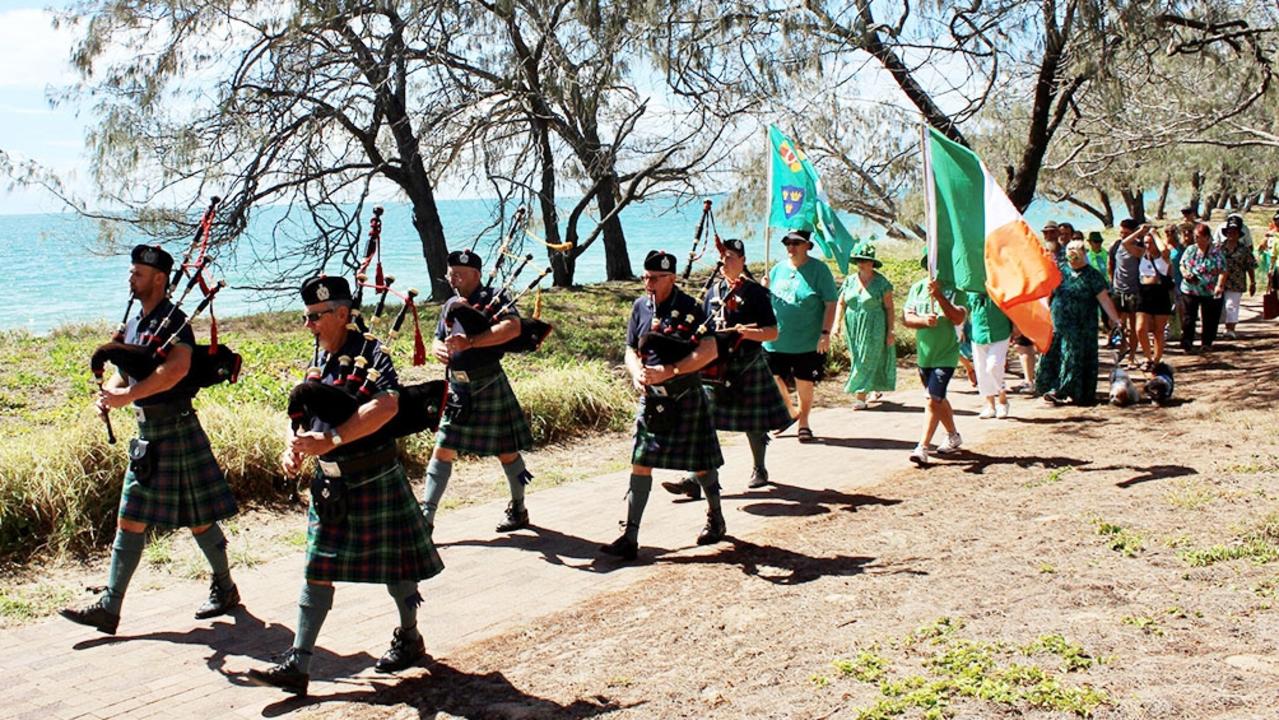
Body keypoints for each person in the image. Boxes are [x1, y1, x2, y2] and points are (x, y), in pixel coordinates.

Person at [249, 276, 442, 695]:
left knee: (397, 567)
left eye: (316, 316)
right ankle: (298, 663)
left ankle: (409, 636)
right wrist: (294, 446)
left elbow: (387, 405)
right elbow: (300, 410)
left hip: (373, 474)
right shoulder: (321, 355)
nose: (309, 325)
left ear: (341, 313)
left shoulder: (371, 353)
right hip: (331, 484)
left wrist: (332, 440)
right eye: (306, 317)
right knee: (316, 569)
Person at [60, 245, 240, 635]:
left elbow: (176, 370)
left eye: (138, 273)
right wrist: (111, 394)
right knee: (141, 519)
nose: (131, 278)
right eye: (131, 272)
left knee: (191, 519)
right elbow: (125, 372)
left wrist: (128, 396)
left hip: (175, 428)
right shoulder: (136, 324)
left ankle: (219, 589)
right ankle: (114, 606)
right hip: (148, 432)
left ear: (159, 279)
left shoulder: (174, 321)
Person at [600, 251, 725, 561]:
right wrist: (636, 373)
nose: (648, 283)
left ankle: (716, 516)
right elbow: (630, 349)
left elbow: (709, 350)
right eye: (646, 277)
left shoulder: (691, 308)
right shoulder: (640, 306)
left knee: (699, 463)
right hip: (652, 397)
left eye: (655, 278)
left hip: (684, 394)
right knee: (640, 461)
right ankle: (630, 536)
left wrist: (674, 370)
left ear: (672, 278)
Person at [662, 239, 791, 498]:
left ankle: (759, 468)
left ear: (742, 260)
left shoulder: (756, 293)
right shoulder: (714, 291)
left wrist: (745, 333)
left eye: (730, 257)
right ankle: (696, 479)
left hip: (747, 365)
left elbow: (773, 333)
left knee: (753, 424)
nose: (724, 262)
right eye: (722, 257)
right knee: (703, 422)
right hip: (715, 368)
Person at [420, 250, 537, 536]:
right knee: (443, 449)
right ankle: (426, 519)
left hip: (487, 384)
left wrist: (472, 342)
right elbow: (439, 336)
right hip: (458, 388)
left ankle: (518, 508)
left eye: (459, 272)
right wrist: (437, 347)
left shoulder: (493, 299)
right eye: (451, 272)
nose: (453, 277)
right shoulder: (450, 303)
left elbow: (511, 328)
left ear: (476, 274)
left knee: (507, 452)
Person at [764, 230, 838, 442]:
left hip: (807, 340)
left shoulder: (819, 270)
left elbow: (830, 303)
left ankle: (804, 421)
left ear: (807, 245)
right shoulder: (777, 269)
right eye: (787, 242)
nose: (791, 247)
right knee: (774, 378)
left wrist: (825, 333)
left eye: (796, 243)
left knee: (803, 381)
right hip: (776, 339)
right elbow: (768, 300)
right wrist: (763, 289)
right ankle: (790, 412)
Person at [1036, 239, 1122, 405]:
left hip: (1083, 326)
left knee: (1074, 356)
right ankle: (1055, 389)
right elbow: (1049, 295)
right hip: (1059, 324)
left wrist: (1116, 319)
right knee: (1056, 355)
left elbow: (1104, 299)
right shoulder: (1059, 272)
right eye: (1070, 250)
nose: (1073, 255)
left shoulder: (1093, 276)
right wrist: (1044, 314)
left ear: (1084, 253)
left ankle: (1074, 392)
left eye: (1076, 251)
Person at [902, 255, 967, 465]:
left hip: (946, 354)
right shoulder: (917, 288)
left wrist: (939, 296)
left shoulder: (958, 289)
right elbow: (907, 319)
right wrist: (923, 321)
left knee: (932, 399)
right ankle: (953, 435)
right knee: (938, 399)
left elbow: (958, 317)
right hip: (924, 355)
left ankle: (922, 447)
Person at [832, 243, 896, 409]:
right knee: (857, 357)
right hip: (852, 325)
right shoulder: (850, 281)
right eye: (859, 260)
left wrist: (890, 331)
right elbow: (841, 303)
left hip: (874, 324)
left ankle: (860, 396)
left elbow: (889, 308)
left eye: (865, 260)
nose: (861, 263)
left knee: (866, 357)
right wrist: (836, 324)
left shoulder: (882, 283)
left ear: (872, 262)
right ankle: (873, 388)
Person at [1178, 222, 1227, 353]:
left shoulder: (1216, 251)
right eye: (1195, 236)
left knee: (1210, 318)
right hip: (1190, 289)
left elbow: (1223, 270)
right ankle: (1187, 342)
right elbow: (1182, 264)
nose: (1196, 239)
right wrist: (1185, 273)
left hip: (1210, 290)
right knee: (1188, 317)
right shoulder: (1190, 250)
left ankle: (1207, 342)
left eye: (1199, 236)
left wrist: (1219, 286)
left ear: (1207, 237)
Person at [1108, 218, 1150, 365]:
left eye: (1126, 233)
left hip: (1135, 291)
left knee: (1134, 326)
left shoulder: (1140, 248)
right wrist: (1112, 282)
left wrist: (1139, 233)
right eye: (1121, 232)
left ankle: (1132, 355)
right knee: (1119, 324)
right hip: (1118, 290)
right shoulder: (1116, 246)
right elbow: (1111, 264)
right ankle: (1122, 347)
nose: (1122, 235)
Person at [965, 290, 1012, 419]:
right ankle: (990, 405)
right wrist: (962, 329)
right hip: (978, 334)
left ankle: (1002, 400)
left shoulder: (1000, 286)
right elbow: (965, 310)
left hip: (1000, 332)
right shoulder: (971, 290)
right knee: (982, 370)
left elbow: (1013, 307)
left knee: (994, 366)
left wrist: (1017, 327)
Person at [1132, 225, 1174, 368]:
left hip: (1160, 294)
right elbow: (1126, 244)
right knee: (1140, 328)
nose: (1148, 246)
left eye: (1150, 243)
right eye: (1146, 243)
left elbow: (1164, 250)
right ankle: (1147, 357)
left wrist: (1155, 234)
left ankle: (1156, 359)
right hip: (1144, 294)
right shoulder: (1142, 254)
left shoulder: (1164, 258)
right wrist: (1140, 232)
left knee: (1158, 330)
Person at [1217, 215, 1257, 340]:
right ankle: (1213, 330)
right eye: (1229, 231)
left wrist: (1253, 282)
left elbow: (1250, 266)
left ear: (1239, 234)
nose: (1231, 234)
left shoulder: (1244, 250)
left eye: (1234, 232)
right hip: (1218, 283)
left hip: (1236, 282)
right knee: (1217, 306)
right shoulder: (1218, 248)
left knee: (1231, 305)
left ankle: (1230, 330)